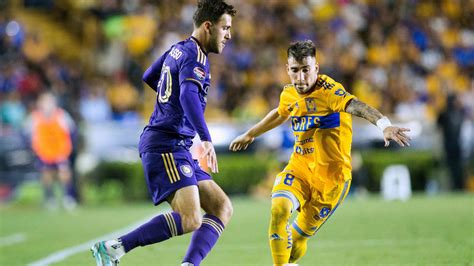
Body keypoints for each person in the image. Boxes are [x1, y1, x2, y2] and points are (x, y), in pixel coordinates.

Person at [229, 40, 411, 266]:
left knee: (295, 244)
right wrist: (251, 133)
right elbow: (280, 113)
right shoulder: (289, 94)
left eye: (306, 70)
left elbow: (358, 106)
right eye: (295, 71)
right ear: (288, 70)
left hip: (332, 180)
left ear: (316, 68)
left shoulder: (330, 92)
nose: (301, 77)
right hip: (300, 168)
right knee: (279, 209)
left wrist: (384, 125)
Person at [91, 1, 236, 266]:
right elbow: (188, 94)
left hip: (174, 143)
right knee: (190, 218)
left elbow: (149, 75)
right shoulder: (197, 56)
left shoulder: (177, 50)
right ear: (208, 26)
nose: (229, 34)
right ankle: (115, 247)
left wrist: (169, 105)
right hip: (166, 144)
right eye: (225, 28)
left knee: (221, 207)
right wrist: (205, 138)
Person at [24, 91, 77, 210]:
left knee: (64, 173)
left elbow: (72, 131)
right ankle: (50, 198)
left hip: (60, 150)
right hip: (43, 151)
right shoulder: (34, 117)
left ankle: (68, 198)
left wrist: (68, 147)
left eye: (50, 101)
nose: (47, 104)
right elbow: (27, 134)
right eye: (45, 101)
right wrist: (33, 148)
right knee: (47, 175)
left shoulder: (62, 115)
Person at [437, 93, 465, 190]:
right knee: (452, 167)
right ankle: (454, 187)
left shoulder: (459, 112)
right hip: (449, 145)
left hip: (457, 144)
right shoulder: (445, 113)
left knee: (458, 167)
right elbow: (438, 128)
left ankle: (459, 186)